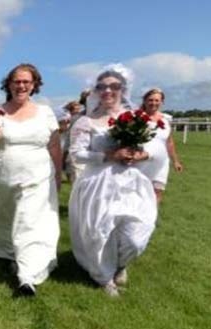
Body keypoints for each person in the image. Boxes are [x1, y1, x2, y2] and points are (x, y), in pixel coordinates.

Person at [0, 63, 62, 297]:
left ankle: (26, 278)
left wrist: (58, 174)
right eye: (17, 81)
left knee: (29, 221)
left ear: (34, 85)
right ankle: (11, 254)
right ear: (9, 84)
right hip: (2, 176)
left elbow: (54, 145)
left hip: (38, 177)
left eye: (27, 82)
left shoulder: (45, 112)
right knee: (7, 219)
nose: (21, 85)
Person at [68, 65, 157, 296]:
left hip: (130, 182)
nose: (108, 91)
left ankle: (120, 263)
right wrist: (108, 155)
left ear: (123, 89)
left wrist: (139, 154)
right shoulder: (85, 122)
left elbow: (152, 149)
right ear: (96, 91)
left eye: (114, 86)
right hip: (97, 183)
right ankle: (104, 277)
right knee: (100, 232)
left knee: (137, 234)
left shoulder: (137, 119)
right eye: (102, 87)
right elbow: (76, 153)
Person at [137, 88, 184, 204]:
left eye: (157, 100)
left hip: (161, 163)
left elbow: (169, 142)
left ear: (162, 102)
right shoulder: (137, 118)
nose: (153, 103)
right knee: (139, 191)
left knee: (157, 191)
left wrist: (175, 161)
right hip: (141, 161)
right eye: (150, 100)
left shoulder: (166, 119)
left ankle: (151, 219)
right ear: (145, 101)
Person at [60, 101, 83, 183]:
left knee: (70, 159)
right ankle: (69, 177)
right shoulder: (67, 117)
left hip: (74, 140)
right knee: (66, 158)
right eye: (76, 108)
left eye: (78, 108)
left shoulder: (79, 117)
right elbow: (62, 129)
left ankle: (72, 177)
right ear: (71, 109)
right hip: (67, 139)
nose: (78, 110)